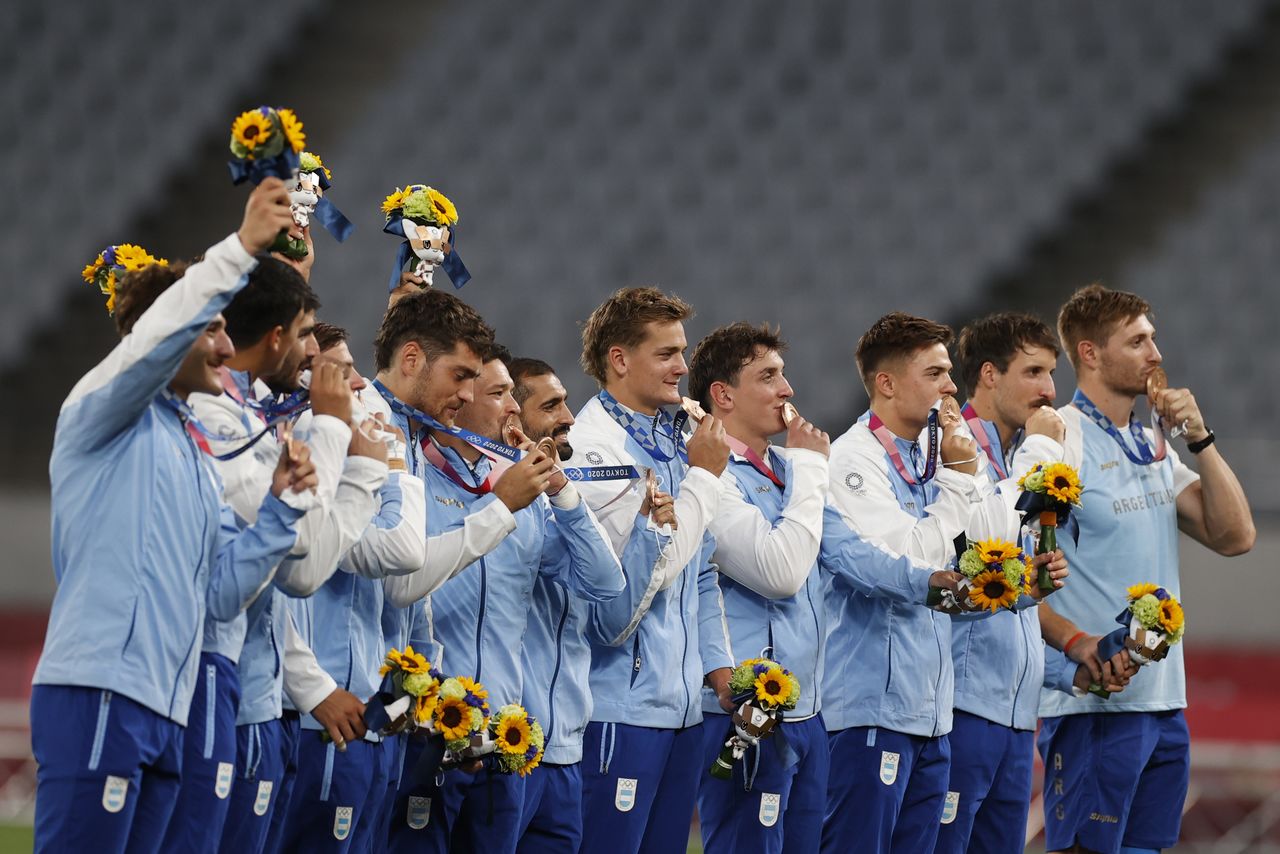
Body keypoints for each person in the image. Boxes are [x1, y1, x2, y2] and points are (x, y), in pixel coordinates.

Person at [30, 180, 316, 853]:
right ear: (168, 332)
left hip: (168, 706)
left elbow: (218, 593)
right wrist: (242, 249)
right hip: (100, 688)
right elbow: (163, 333)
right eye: (211, 328)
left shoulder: (191, 449)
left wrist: (278, 510)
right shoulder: (100, 411)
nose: (225, 348)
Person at [820, 312, 1066, 853]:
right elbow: (912, 563)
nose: (951, 386)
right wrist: (961, 478)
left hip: (932, 715)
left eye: (948, 372)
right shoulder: (852, 460)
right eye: (934, 373)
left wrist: (1021, 587)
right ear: (886, 383)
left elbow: (981, 546)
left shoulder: (936, 452)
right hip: (869, 710)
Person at [1030, 284, 1254, 854]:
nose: (1156, 353)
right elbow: (1022, 572)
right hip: (1094, 703)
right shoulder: (1059, 439)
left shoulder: (1149, 440)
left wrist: (1200, 438)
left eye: (1152, 338)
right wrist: (1075, 645)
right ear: (1090, 353)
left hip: (1163, 700)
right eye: (1137, 341)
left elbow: (1236, 535)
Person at [387, 345, 622, 854]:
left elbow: (605, 583)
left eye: (514, 396)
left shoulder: (526, 494)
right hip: (429, 729)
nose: (513, 408)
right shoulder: (415, 478)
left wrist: (561, 491)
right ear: (462, 401)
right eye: (499, 394)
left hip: (502, 738)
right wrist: (500, 504)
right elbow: (401, 584)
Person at [937, 311, 1135, 854]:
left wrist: (1069, 673)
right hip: (957, 711)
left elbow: (1016, 611)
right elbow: (966, 589)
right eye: (1033, 372)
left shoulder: (1016, 459)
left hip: (1016, 716)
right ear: (988, 375)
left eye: (1052, 374)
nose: (1050, 391)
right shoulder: (953, 459)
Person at [567, 286, 734, 854]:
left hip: (683, 711)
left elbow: (702, 568)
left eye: (681, 351)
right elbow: (654, 571)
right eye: (666, 353)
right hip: (618, 707)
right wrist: (706, 478)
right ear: (619, 359)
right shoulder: (591, 450)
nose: (682, 367)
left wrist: (718, 667)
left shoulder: (676, 440)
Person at [686, 323, 833, 851]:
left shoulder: (785, 471)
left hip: (808, 709)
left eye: (784, 375)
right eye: (768, 377)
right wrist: (813, 466)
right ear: (723, 396)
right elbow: (780, 571)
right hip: (746, 711)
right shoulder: (709, 475)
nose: (787, 389)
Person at [508, 357, 630, 853]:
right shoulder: (494, 496)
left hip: (563, 748)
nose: (569, 417)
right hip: (507, 744)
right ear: (513, 416)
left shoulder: (551, 500)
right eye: (552, 405)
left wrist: (562, 489)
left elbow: (605, 582)